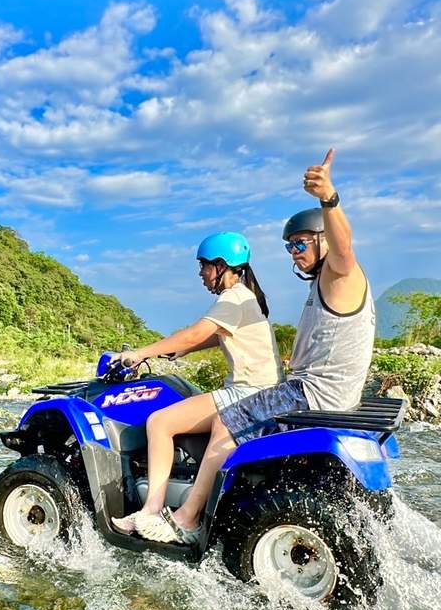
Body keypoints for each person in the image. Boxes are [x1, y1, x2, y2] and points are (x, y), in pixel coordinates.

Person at [143, 148, 377, 545]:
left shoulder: (340, 275)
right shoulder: (318, 285)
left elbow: (344, 249)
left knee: (225, 423)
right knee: (227, 418)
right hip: (322, 390)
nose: (295, 253)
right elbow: (211, 338)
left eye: (301, 244)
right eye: (290, 247)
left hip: (311, 395)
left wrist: (329, 198)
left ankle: (185, 518)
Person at [110, 232, 279, 537]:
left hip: (247, 393)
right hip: (260, 392)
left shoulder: (232, 298)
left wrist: (139, 354)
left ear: (221, 266)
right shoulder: (246, 297)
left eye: (203, 266)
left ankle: (151, 511)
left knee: (160, 421)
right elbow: (218, 336)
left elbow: (194, 332)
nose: (201, 273)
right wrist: (185, 350)